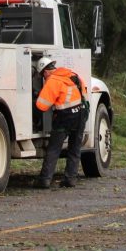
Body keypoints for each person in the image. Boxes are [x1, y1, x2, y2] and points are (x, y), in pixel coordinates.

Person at [34, 56, 88, 188]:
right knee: (74, 148)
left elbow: (41, 106)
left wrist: (38, 95)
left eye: (43, 75)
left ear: (45, 72)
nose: (44, 78)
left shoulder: (52, 81)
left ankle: (45, 180)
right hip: (81, 113)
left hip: (64, 117)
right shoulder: (71, 74)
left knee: (54, 149)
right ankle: (70, 179)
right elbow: (84, 90)